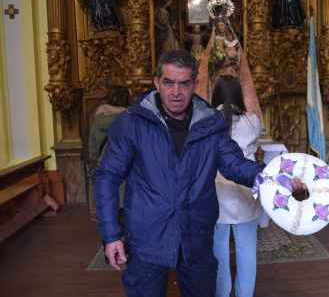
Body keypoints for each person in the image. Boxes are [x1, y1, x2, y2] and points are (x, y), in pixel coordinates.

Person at [94, 50, 306, 297]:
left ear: (195, 84)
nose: (176, 92)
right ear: (156, 83)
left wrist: (276, 177)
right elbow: (107, 176)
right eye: (169, 82)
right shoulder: (131, 123)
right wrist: (111, 235)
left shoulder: (211, 123)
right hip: (146, 235)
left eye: (184, 84)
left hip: (196, 235)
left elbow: (236, 165)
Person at [211, 75, 262, 297]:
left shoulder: (209, 120)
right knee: (247, 249)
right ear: (239, 95)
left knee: (218, 251)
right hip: (246, 187)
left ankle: (221, 293)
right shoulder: (253, 121)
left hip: (217, 189)